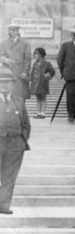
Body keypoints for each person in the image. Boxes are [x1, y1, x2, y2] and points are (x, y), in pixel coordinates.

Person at [0, 67, 30, 215]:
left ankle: (3, 205)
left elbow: (26, 124)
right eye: (2, 82)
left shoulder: (19, 101)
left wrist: (22, 140)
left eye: (8, 82)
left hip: (15, 144)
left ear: (13, 84)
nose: (5, 85)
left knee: (9, 176)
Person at [0, 24, 32, 100]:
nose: (15, 32)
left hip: (20, 73)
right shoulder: (3, 43)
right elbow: (1, 55)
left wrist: (25, 72)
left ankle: (21, 111)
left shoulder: (25, 43)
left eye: (16, 30)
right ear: (9, 31)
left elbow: (28, 59)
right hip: (8, 74)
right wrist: (5, 59)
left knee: (20, 96)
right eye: (13, 30)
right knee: (7, 95)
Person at [29, 47, 55, 118]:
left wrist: (47, 75)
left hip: (43, 83)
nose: (35, 55)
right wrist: (29, 79)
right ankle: (38, 113)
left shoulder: (47, 63)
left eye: (36, 54)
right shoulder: (35, 64)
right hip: (36, 84)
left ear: (41, 54)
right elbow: (32, 73)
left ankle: (43, 113)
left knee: (43, 98)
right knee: (38, 99)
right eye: (35, 54)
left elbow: (52, 71)